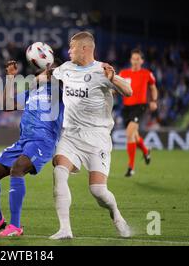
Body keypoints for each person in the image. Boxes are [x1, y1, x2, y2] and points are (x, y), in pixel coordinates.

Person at [49, 32, 133, 240]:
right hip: (71, 135)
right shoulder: (66, 68)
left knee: (98, 191)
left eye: (72, 47)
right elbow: (47, 75)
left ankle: (117, 215)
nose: (68, 51)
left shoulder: (102, 70)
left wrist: (113, 78)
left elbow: (129, 91)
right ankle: (65, 229)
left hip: (97, 138)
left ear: (85, 49)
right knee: (59, 172)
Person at [0, 60, 63, 237]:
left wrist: (49, 73)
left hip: (43, 141)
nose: (42, 76)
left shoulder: (60, 90)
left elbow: (58, 77)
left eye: (46, 73)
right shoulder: (32, 91)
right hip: (24, 141)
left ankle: (15, 226)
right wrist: (10, 78)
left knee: (17, 169)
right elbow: (6, 105)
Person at [118, 49, 158, 177]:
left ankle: (131, 167)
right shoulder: (123, 73)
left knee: (129, 133)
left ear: (142, 61)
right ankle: (146, 152)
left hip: (140, 106)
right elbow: (117, 87)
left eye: (137, 59)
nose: (135, 61)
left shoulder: (147, 74)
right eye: (133, 58)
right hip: (126, 108)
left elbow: (153, 88)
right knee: (134, 136)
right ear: (130, 60)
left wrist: (154, 101)